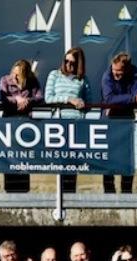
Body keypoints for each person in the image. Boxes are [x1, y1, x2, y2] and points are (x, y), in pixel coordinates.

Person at [45, 48, 90, 193]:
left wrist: (83, 102)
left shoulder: (83, 79)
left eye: (73, 62)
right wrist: (69, 99)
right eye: (66, 61)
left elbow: (90, 102)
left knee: (73, 161)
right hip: (59, 123)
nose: (69, 64)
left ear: (79, 64)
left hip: (76, 123)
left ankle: (71, 194)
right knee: (60, 160)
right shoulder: (54, 75)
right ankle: (60, 195)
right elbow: (48, 98)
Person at [101, 53, 137, 194]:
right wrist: (132, 98)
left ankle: (127, 193)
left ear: (127, 69)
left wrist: (128, 99)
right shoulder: (107, 75)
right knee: (108, 157)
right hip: (109, 120)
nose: (115, 75)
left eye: (119, 73)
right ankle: (109, 193)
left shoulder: (135, 73)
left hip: (126, 120)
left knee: (126, 157)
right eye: (114, 71)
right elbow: (109, 99)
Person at [0, 59, 43, 193]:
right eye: (14, 73)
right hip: (9, 124)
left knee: (23, 156)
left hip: (25, 124)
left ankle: (23, 189)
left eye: (19, 75)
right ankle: (9, 189)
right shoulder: (5, 80)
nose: (15, 77)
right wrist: (17, 99)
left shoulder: (32, 82)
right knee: (10, 156)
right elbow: (4, 97)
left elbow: (40, 97)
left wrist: (28, 100)